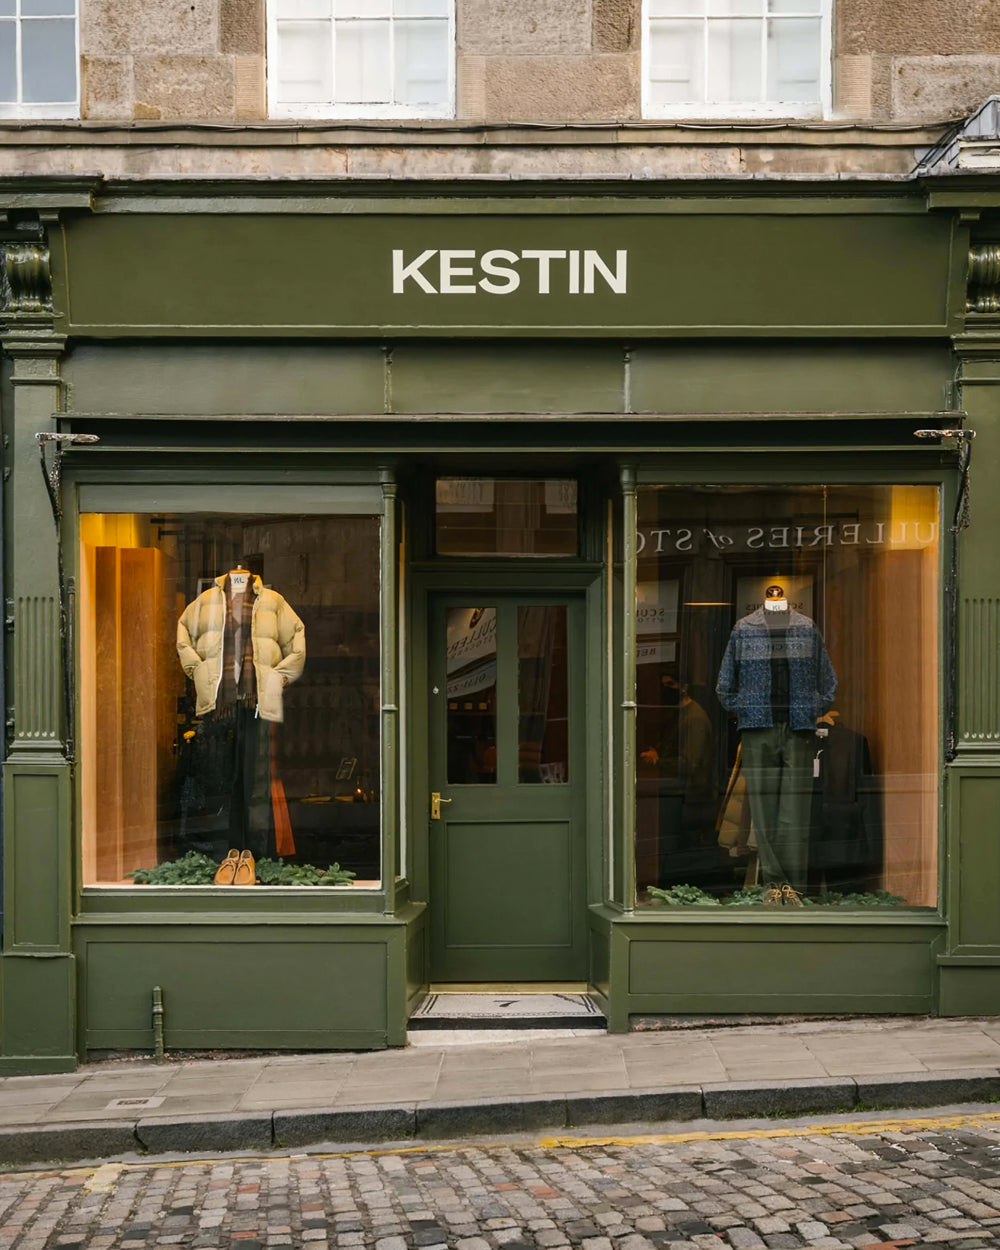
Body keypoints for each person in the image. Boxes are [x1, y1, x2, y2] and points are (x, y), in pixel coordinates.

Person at [639, 669, 716, 883]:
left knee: (685, 852)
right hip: (682, 792)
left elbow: (690, 763)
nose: (666, 690)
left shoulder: (695, 717)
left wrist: (658, 761)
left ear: (684, 687)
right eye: (663, 685)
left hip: (691, 795)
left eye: (671, 685)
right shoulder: (681, 714)